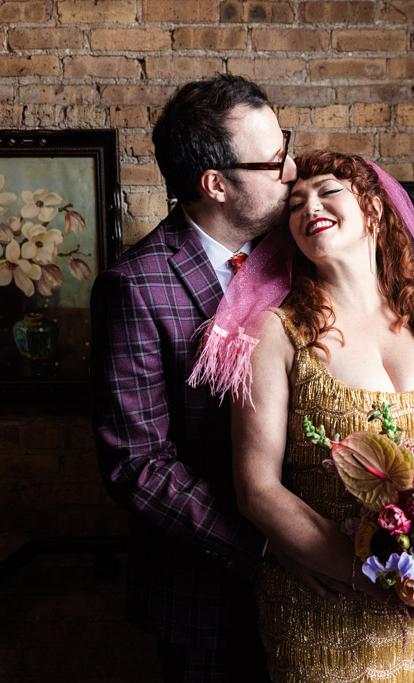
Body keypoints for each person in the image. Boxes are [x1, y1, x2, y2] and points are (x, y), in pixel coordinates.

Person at [193, 150, 414, 681]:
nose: (308, 206)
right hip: (326, 604)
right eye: (294, 202)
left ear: (375, 212)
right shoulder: (276, 332)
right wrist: (374, 577)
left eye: (328, 191)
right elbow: (256, 489)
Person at [90, 74, 296, 682]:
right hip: (208, 597)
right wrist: (269, 546)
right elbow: (138, 464)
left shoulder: (301, 254)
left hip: (322, 591)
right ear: (216, 185)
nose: (291, 171)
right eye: (273, 160)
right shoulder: (136, 287)